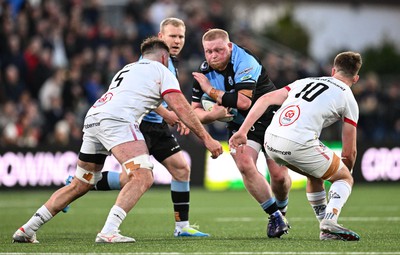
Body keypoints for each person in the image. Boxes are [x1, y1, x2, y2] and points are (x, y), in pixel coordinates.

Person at [12, 37, 222, 244]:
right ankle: (109, 231)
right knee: (143, 175)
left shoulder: (127, 69)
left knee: (81, 183)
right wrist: (207, 138)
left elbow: (139, 99)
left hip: (94, 117)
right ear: (164, 57)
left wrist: (168, 116)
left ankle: (27, 228)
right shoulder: (162, 71)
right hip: (117, 120)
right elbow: (182, 106)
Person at [62, 17, 211, 237]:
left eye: (181, 36)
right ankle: (79, 184)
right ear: (161, 37)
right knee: (129, 179)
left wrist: (172, 116)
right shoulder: (153, 61)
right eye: (172, 36)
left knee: (181, 169)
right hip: (137, 124)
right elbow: (143, 95)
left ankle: (182, 227)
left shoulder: (170, 62)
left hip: (157, 127)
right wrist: (169, 113)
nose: (177, 41)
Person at [229, 51, 362, 241]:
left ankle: (325, 230)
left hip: (271, 139)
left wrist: (242, 131)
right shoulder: (348, 97)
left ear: (333, 70)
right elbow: (350, 151)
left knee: (315, 175)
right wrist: (343, 176)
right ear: (355, 78)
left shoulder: (305, 81)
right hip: (299, 142)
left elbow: (265, 99)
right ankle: (329, 220)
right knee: (344, 178)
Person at [191, 28, 291, 238]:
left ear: (229, 46)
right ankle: (275, 216)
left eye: (218, 50)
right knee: (245, 164)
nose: (213, 56)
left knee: (279, 177)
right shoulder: (202, 73)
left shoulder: (245, 61)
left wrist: (210, 91)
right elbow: (194, 113)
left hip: (270, 118)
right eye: (208, 51)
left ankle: (281, 209)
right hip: (239, 125)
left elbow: (244, 102)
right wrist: (213, 115)